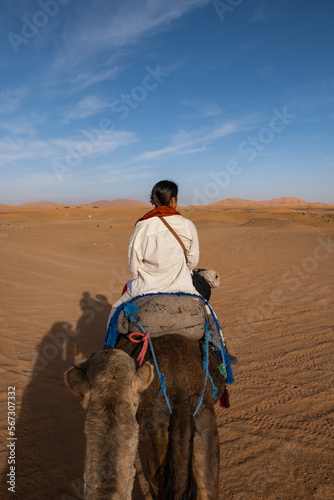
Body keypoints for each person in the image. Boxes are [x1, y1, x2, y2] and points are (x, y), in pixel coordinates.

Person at [107, 180, 200, 322]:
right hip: (183, 287)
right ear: (173, 200)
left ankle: (109, 343)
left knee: (115, 314)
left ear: (154, 201)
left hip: (145, 289)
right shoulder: (187, 225)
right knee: (210, 317)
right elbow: (193, 262)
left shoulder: (142, 226)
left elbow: (134, 266)